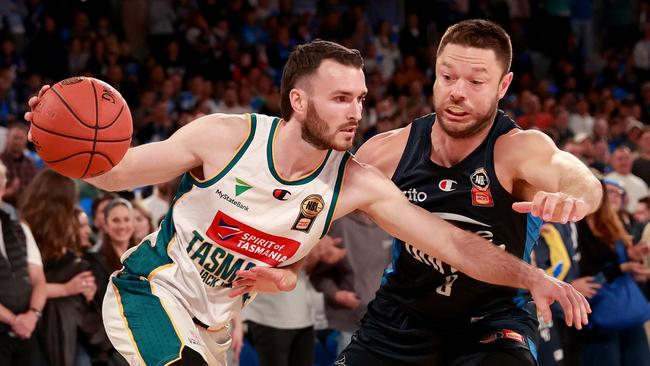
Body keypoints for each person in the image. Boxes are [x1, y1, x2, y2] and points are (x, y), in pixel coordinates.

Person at [25, 39, 590, 366]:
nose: (356, 112)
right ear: (298, 100)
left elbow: (450, 242)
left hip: (218, 325)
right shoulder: (225, 137)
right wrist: (56, 143)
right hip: (153, 292)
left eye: (361, 99)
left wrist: (530, 278)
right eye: (341, 98)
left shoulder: (354, 182)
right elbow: (119, 171)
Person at [334, 20, 602, 366]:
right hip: (399, 320)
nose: (458, 91)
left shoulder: (517, 149)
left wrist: (574, 198)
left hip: (492, 322)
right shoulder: (388, 150)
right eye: (447, 77)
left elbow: (581, 178)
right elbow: (313, 212)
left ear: (503, 85)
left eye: (476, 82)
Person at [0, 191, 46, 365]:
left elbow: (39, 280)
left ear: (2, 188)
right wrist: (14, 321)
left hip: (28, 328)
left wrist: (32, 315)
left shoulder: (19, 228)